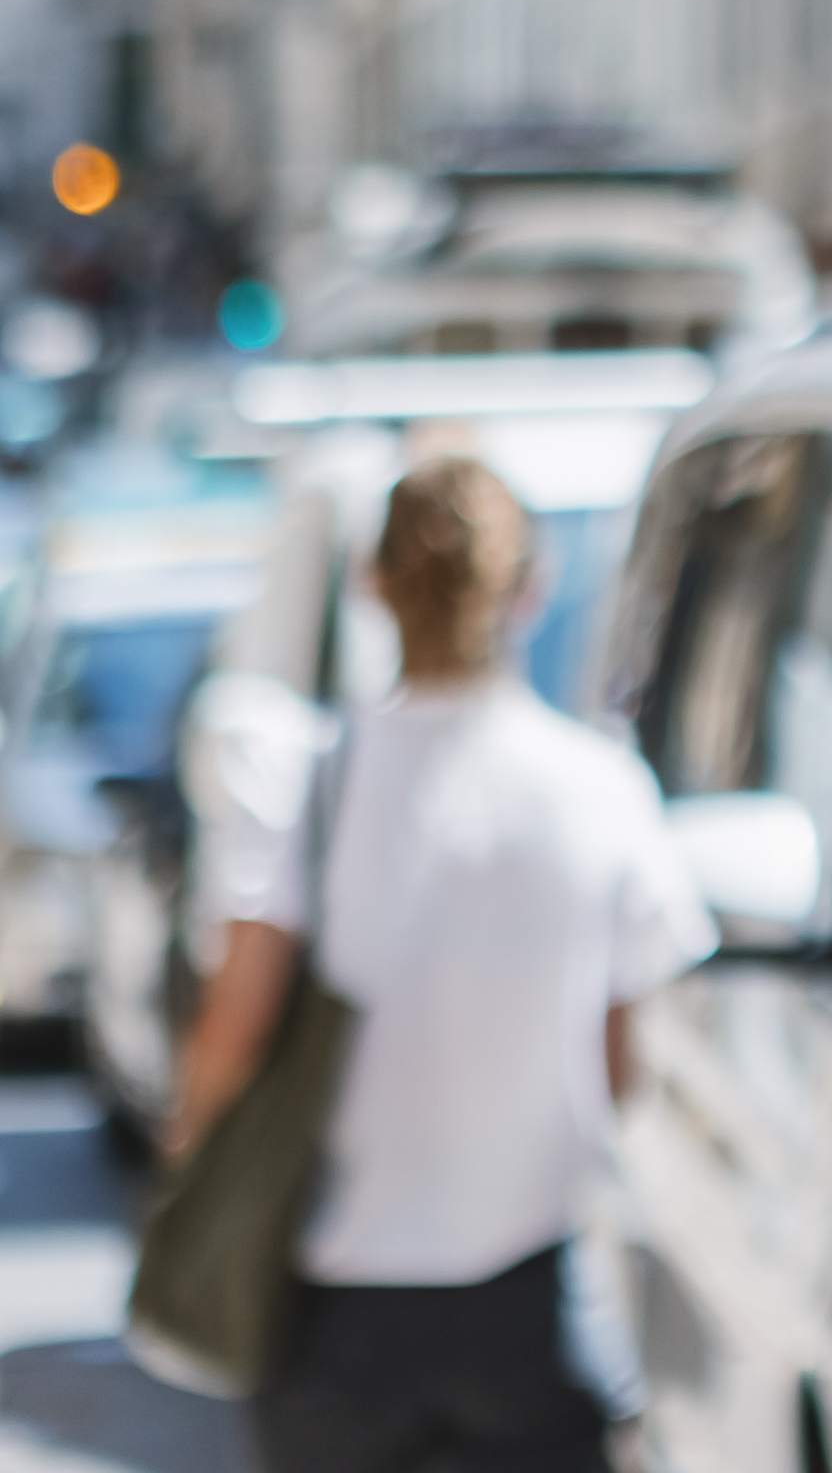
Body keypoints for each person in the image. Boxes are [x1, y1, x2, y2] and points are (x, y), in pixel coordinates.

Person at [170, 457, 713, 1470]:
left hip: (333, 1313)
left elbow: (235, 1025)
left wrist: (187, 1152)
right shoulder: (600, 790)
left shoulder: (311, 784)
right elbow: (624, 1064)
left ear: (373, 585)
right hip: (532, 1300)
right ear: (531, 588)